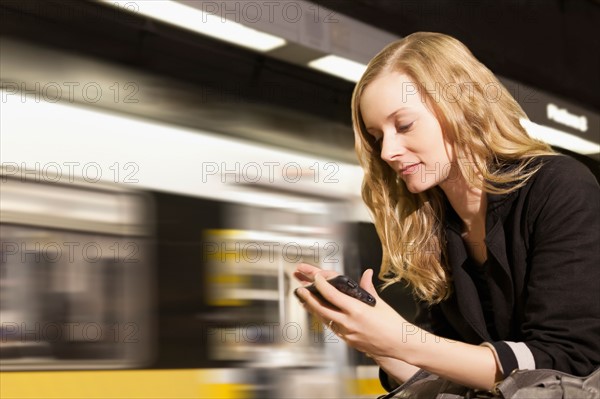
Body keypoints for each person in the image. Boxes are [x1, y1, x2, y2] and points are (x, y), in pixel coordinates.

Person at [293, 32, 600, 394]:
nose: (389, 151)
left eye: (404, 125)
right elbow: (445, 376)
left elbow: (564, 362)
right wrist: (372, 340)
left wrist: (400, 338)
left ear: (462, 107)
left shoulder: (559, 186)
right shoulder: (431, 225)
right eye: (378, 137)